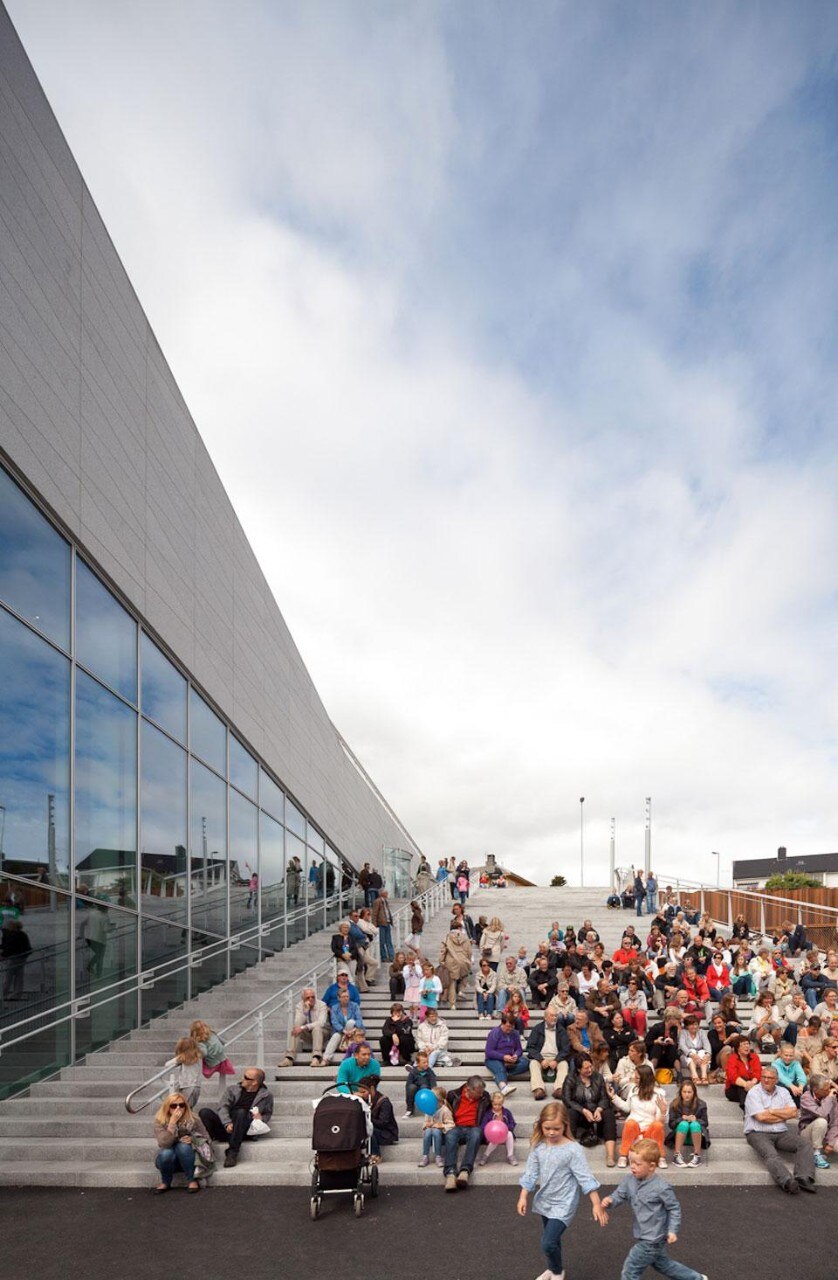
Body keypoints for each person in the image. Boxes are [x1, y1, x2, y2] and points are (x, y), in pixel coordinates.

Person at [517, 1100, 607, 1280]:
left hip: (564, 1203)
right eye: (547, 1128)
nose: (551, 1133)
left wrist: (596, 1204)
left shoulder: (573, 1150)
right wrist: (523, 1196)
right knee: (554, 1241)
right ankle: (552, 1269)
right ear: (541, 1125)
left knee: (548, 1243)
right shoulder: (539, 1146)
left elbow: (585, 1177)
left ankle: (558, 1272)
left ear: (565, 1126)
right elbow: (531, 1173)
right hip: (546, 1199)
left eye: (556, 1129)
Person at [600, 1137, 707, 1280]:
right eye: (631, 1162)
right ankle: (696, 1278)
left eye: (637, 1164)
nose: (632, 1166)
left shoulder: (661, 1187)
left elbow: (674, 1208)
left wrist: (672, 1230)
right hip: (643, 1233)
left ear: (651, 1166)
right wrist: (610, 1200)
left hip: (653, 1238)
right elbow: (620, 1195)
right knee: (663, 1264)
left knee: (630, 1270)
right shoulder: (629, 1180)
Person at [744, 1063, 817, 1194]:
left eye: (770, 1078)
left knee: (805, 1144)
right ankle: (787, 1181)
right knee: (771, 1155)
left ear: (776, 1080)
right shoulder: (753, 1092)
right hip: (758, 1133)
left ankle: (803, 1177)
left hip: (781, 1133)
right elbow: (761, 1117)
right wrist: (783, 1115)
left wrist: (771, 1111)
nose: (766, 1080)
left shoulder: (783, 1092)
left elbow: (793, 1112)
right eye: (763, 1077)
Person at [199, 1067, 273, 1169]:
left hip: (244, 1130)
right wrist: (227, 1123)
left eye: (246, 1077)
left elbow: (268, 1113)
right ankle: (207, 1148)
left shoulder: (266, 1095)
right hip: (227, 1128)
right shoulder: (232, 1089)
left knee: (241, 1112)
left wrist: (261, 1118)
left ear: (254, 1082)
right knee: (204, 1112)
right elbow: (222, 1107)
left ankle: (232, 1152)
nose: (242, 1078)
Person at [562, 1052, 617, 1165]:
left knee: (609, 1113)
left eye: (590, 1066)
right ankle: (567, 1153)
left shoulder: (598, 1077)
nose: (590, 1070)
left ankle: (610, 1156)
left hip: (596, 1113)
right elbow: (567, 1100)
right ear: (578, 1069)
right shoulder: (570, 1079)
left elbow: (604, 1097)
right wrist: (583, 1110)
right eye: (586, 1068)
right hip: (580, 1114)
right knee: (570, 1112)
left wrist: (599, 1109)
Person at [610, 1064, 668, 1168]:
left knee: (658, 1126)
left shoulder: (659, 1093)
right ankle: (623, 1156)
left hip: (649, 1130)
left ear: (645, 1079)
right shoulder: (633, 1090)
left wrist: (663, 1112)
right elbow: (627, 1108)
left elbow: (660, 1121)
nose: (634, 1079)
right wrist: (613, 1097)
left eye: (637, 1078)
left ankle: (661, 1157)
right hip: (635, 1129)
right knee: (630, 1123)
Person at [154, 1092, 211, 1193]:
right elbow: (164, 1143)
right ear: (167, 1107)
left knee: (183, 1146)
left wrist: (193, 1140)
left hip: (189, 1158)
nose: (178, 1108)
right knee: (166, 1152)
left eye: (181, 1105)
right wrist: (172, 1123)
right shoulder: (160, 1121)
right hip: (168, 1160)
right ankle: (165, 1182)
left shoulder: (194, 1119)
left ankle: (192, 1180)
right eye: (173, 1106)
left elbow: (207, 1138)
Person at [443, 1076, 490, 1191]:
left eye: (482, 1092)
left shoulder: (485, 1097)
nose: (481, 1095)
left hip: (473, 1127)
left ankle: (465, 1171)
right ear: (468, 1089)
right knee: (450, 1135)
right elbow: (445, 1111)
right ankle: (450, 1173)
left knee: (476, 1133)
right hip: (456, 1126)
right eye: (478, 1092)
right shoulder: (453, 1095)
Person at [527, 1006, 571, 1099]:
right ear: (545, 1017)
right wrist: (541, 1059)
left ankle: (559, 1089)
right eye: (552, 1016)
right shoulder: (537, 1029)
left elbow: (566, 1049)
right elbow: (530, 1048)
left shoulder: (561, 1030)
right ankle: (539, 1089)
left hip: (557, 1057)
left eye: (555, 1016)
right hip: (541, 1057)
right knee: (533, 1063)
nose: (554, 1018)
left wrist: (556, 1060)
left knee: (564, 1064)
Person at [798, 1073, 838, 1169]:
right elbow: (821, 1113)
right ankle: (816, 1153)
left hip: (825, 1134)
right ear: (816, 1089)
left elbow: (835, 1121)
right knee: (821, 1121)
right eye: (826, 1089)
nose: (829, 1091)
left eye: (829, 1088)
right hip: (807, 1133)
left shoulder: (830, 1097)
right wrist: (829, 1098)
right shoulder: (806, 1098)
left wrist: (831, 1142)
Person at [666, 1080, 709, 1168]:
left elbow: (705, 1123)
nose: (687, 1094)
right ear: (680, 1092)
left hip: (696, 1136)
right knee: (684, 1124)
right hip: (679, 1136)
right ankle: (676, 1155)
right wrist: (682, 1119)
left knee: (694, 1124)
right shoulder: (674, 1104)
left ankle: (697, 1156)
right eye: (684, 1092)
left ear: (694, 1093)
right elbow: (671, 1124)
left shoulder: (701, 1104)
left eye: (689, 1092)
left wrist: (696, 1120)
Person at [484, 1012, 529, 1096]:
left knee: (526, 1062)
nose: (510, 1029)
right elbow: (489, 1052)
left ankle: (502, 1074)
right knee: (499, 1067)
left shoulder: (515, 1033)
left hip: (509, 1060)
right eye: (508, 1026)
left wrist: (516, 1055)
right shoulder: (494, 1033)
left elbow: (519, 1049)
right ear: (502, 1023)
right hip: (494, 1059)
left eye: (512, 1027)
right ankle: (503, 1087)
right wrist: (503, 1057)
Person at [190, 1020, 235, 1097]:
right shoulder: (213, 1033)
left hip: (213, 1062)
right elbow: (223, 1042)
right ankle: (221, 1093)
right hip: (223, 1059)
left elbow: (204, 1053)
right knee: (222, 1075)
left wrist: (196, 1052)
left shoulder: (199, 1041)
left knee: (201, 1065)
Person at [322, 988, 364, 1065]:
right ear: (339, 998)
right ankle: (326, 1059)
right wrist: (344, 1031)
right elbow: (334, 1022)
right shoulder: (334, 1008)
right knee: (335, 1036)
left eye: (347, 996)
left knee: (351, 1022)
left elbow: (359, 1021)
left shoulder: (355, 1006)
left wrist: (352, 1030)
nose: (346, 998)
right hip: (341, 1032)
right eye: (343, 996)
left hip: (354, 1032)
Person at [361, 1076, 398, 1163]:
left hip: (387, 1133)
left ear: (372, 1089)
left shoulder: (384, 1102)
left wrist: (367, 1118)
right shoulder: (364, 1100)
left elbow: (383, 1123)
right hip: (375, 1131)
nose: (362, 1094)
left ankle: (376, 1155)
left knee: (369, 1130)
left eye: (363, 1092)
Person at [438, 920, 472, 1009]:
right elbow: (469, 951)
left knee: (452, 982)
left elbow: (443, 950)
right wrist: (468, 960)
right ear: (459, 928)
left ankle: (453, 1004)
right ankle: (461, 990)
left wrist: (441, 961)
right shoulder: (465, 937)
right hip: (463, 959)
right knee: (464, 975)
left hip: (451, 960)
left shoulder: (447, 937)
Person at [418, 1085, 453, 1167]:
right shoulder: (428, 1108)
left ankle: (438, 1156)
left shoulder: (445, 1110)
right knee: (427, 1132)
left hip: (441, 1133)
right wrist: (426, 1125)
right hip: (430, 1132)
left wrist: (441, 1125)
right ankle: (425, 1156)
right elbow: (425, 1122)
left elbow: (451, 1124)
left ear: (438, 1100)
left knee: (436, 1131)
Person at [724, 1034, 762, 1108]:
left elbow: (758, 1073)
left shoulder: (754, 1057)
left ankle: (745, 1106)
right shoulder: (732, 1058)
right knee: (743, 1079)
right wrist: (746, 1085)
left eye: (748, 1044)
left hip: (752, 1087)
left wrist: (752, 1084)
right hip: (733, 1090)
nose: (747, 1046)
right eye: (743, 1044)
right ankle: (745, 1106)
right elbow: (733, 1077)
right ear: (737, 1047)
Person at [165, 1036, 203, 1107]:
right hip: (196, 1087)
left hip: (186, 1086)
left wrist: (179, 1061)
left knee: (183, 1108)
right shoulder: (198, 1056)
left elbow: (167, 1064)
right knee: (188, 1108)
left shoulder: (182, 1058)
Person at [1, 918, 31, 999]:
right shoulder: (22, 934)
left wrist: (3, 955)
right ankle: (17, 994)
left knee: (8, 976)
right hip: (22, 957)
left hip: (14, 958)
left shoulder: (13, 935)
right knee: (19, 976)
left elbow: (10, 947)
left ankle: (3, 994)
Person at [678, 1015, 711, 1086]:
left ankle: (704, 1076)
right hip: (686, 1058)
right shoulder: (683, 1032)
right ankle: (694, 1075)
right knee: (692, 1051)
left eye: (696, 1024)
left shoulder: (701, 1032)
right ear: (687, 1026)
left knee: (702, 1052)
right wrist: (692, 1054)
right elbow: (682, 1045)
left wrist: (707, 1054)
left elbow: (707, 1044)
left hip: (700, 1059)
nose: (694, 1027)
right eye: (691, 1025)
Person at [405, 1049, 437, 1119]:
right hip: (416, 1090)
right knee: (411, 1087)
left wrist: (434, 1090)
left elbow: (433, 1082)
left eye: (427, 1062)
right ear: (418, 1063)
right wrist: (409, 1089)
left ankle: (427, 1110)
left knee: (424, 1086)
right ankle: (410, 1109)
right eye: (424, 1062)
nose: (426, 1064)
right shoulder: (413, 1072)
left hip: (425, 1090)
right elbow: (408, 1083)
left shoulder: (429, 1071)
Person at [371, 889, 394, 961]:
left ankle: (391, 956)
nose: (387, 894)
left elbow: (387, 911)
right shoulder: (377, 901)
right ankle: (383, 957)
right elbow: (374, 913)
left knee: (388, 941)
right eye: (386, 893)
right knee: (382, 941)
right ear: (382, 894)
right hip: (381, 924)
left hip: (387, 922)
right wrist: (374, 924)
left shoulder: (385, 901)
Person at [475, 956, 499, 1021]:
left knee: (490, 995)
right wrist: (483, 992)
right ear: (481, 966)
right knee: (480, 994)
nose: (486, 967)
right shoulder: (478, 974)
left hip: (492, 994)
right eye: (484, 965)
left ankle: (489, 1014)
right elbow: (477, 986)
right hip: (481, 994)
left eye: (488, 965)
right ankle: (481, 1013)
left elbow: (494, 986)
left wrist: (487, 993)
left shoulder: (494, 974)